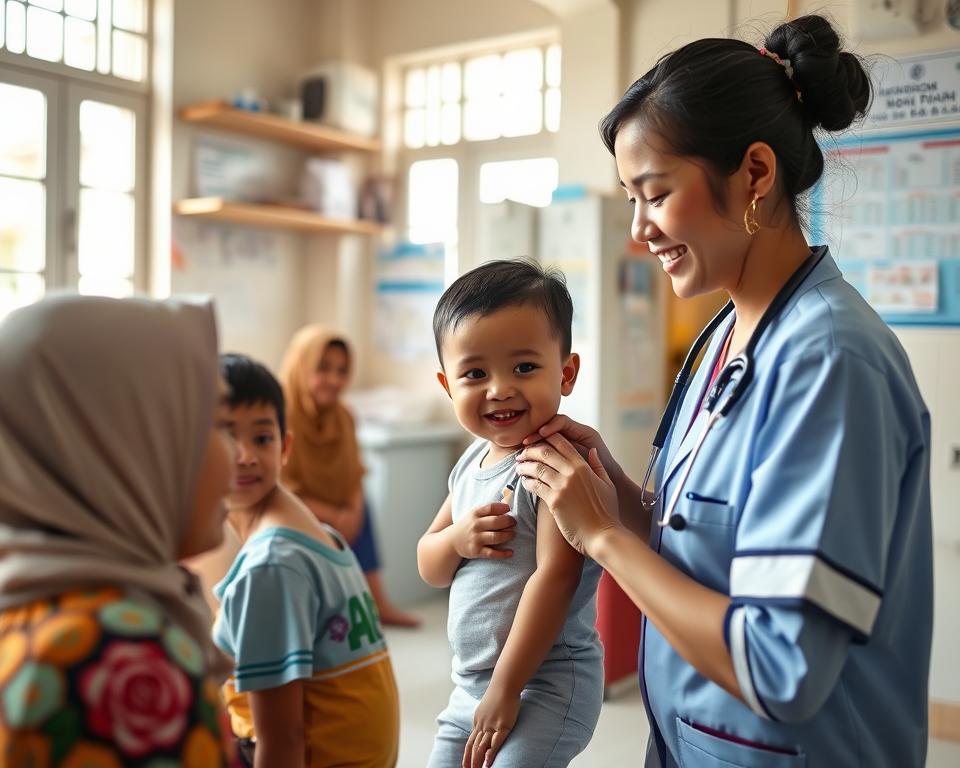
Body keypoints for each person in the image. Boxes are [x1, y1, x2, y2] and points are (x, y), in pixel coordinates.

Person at [514, 15, 933, 768]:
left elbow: (780, 668)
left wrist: (604, 538)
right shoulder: (725, 334)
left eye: (654, 193)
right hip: (691, 741)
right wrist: (613, 491)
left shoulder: (831, 362)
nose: (638, 230)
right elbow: (698, 549)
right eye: (629, 198)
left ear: (756, 175)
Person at [0, 294, 236, 766]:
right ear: (117, 445)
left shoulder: (43, 609)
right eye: (215, 423)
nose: (234, 454)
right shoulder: (116, 659)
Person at [418, 259, 603, 768]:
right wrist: (457, 540)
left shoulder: (555, 463)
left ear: (565, 373)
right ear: (447, 385)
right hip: (471, 686)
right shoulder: (470, 464)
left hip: (545, 684)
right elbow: (429, 566)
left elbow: (556, 579)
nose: (498, 388)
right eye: (475, 373)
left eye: (524, 367)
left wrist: (505, 690)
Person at [213, 353, 399, 768]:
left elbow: (282, 740)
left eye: (261, 438)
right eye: (227, 436)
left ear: (285, 447)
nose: (245, 455)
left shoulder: (272, 564)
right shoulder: (314, 531)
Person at [279, 326, 420, 628]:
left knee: (364, 504)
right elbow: (278, 487)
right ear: (302, 365)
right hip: (294, 508)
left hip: (338, 507)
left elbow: (354, 470)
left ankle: (377, 601)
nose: (334, 379)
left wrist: (353, 509)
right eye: (323, 368)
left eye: (342, 371)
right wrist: (331, 514)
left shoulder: (343, 415)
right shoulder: (280, 414)